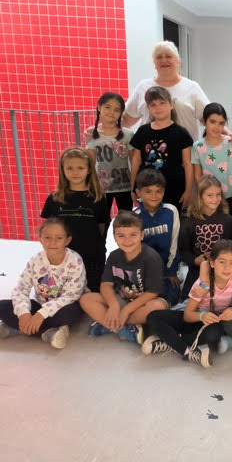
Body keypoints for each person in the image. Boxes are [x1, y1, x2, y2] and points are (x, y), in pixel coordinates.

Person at [143, 240, 232, 368]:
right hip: (195, 317)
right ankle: (186, 351)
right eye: (222, 262)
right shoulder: (202, 284)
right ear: (212, 263)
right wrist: (202, 316)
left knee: (215, 332)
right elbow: (187, 315)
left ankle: (169, 341)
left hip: (211, 322)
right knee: (152, 317)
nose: (227, 267)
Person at [79, 211, 167, 344]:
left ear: (142, 235)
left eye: (133, 235)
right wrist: (113, 305)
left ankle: (111, 324)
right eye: (121, 236)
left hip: (143, 303)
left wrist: (126, 311)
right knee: (86, 299)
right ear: (114, 237)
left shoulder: (151, 257)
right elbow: (106, 284)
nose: (127, 240)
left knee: (158, 306)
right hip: (121, 299)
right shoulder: (113, 256)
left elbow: (152, 293)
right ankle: (123, 327)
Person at [0, 218, 86, 349]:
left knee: (70, 313)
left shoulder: (75, 260)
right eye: (47, 237)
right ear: (40, 239)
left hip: (63, 307)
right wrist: (23, 313)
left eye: (59, 238)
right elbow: (21, 289)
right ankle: (48, 332)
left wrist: (41, 315)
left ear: (67, 240)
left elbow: (72, 295)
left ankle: (17, 328)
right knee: (2, 306)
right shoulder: (35, 260)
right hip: (40, 305)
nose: (53, 242)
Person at [41, 147, 109, 293]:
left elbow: (102, 226)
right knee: (61, 295)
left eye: (80, 168)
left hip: (92, 259)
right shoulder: (54, 199)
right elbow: (47, 230)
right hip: (63, 259)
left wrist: (97, 247)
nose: (75, 172)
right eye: (70, 168)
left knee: (92, 296)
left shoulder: (99, 198)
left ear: (89, 170)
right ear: (62, 170)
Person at [123, 40, 210, 142]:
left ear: (178, 61)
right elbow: (127, 119)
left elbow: (209, 119)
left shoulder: (192, 87)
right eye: (159, 57)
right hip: (149, 149)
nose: (164, 60)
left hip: (186, 150)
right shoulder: (143, 87)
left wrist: (225, 135)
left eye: (168, 56)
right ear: (154, 62)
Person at [129, 86, 194, 212]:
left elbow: (188, 164)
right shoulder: (142, 131)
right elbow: (136, 161)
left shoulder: (181, 133)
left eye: (162, 103)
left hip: (174, 189)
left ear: (171, 105)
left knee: (172, 221)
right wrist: (133, 187)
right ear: (148, 108)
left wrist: (189, 191)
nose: (158, 107)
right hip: (147, 189)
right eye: (153, 104)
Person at [179, 175, 232, 301]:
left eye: (218, 195)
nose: (215, 199)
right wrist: (195, 261)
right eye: (210, 195)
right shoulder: (189, 221)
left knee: (218, 302)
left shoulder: (228, 220)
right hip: (197, 271)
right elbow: (183, 250)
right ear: (199, 196)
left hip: (223, 271)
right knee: (187, 302)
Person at [132, 169, 181, 306]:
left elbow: (175, 243)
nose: (154, 195)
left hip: (167, 269)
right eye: (148, 191)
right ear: (138, 193)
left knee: (173, 295)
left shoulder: (171, 211)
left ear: (164, 192)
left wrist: (171, 271)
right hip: (144, 271)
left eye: (158, 191)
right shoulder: (134, 216)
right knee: (136, 296)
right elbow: (133, 249)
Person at [191, 102, 232, 223]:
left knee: (231, 227)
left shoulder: (231, 143)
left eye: (221, 123)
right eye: (212, 122)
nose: (217, 126)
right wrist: (200, 196)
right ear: (204, 122)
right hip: (208, 198)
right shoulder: (197, 147)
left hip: (230, 196)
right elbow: (197, 176)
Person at [84, 92, 135, 213]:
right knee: (102, 221)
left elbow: (135, 162)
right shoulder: (92, 134)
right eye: (107, 107)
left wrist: (134, 186)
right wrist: (89, 186)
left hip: (125, 187)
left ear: (121, 113)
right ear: (99, 107)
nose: (111, 112)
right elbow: (90, 164)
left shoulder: (128, 134)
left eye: (116, 110)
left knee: (127, 219)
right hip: (101, 189)